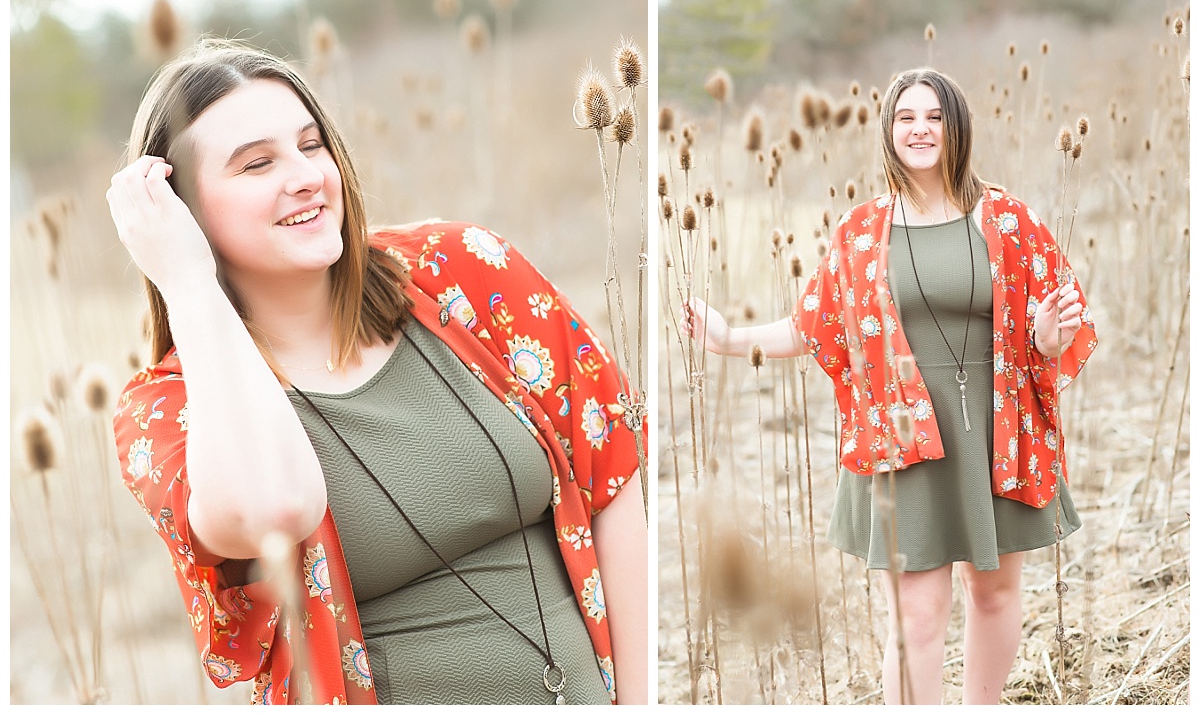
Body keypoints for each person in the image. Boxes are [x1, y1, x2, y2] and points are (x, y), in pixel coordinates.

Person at [108, 39, 648, 705]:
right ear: (182, 212)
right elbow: (277, 510)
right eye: (257, 164)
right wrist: (188, 282)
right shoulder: (167, 414)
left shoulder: (461, 271)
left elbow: (611, 467)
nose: (306, 176)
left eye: (312, 145)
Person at [682, 67, 1097, 705]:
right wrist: (730, 338)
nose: (920, 129)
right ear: (889, 131)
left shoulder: (1009, 218)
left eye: (934, 116)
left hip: (996, 433)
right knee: (918, 617)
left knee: (993, 594)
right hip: (903, 437)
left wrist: (1045, 337)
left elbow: (1058, 327)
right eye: (907, 117)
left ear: (957, 127)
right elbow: (815, 324)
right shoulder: (863, 231)